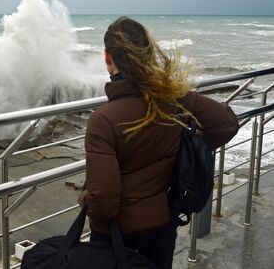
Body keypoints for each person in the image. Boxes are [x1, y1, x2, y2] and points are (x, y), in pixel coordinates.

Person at [77, 16, 239, 269]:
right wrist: (190, 143)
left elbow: (104, 204)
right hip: (164, 222)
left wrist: (86, 198)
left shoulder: (103, 120)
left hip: (116, 237)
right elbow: (226, 123)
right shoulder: (172, 101)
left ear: (108, 58)